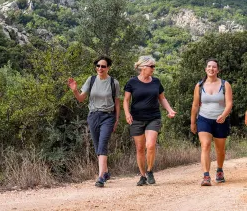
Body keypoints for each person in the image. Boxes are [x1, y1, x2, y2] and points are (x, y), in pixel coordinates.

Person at [123, 55, 176, 186]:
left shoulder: (156, 82)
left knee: (150, 145)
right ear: (143, 67)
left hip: (153, 117)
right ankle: (142, 176)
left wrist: (169, 110)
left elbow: (162, 98)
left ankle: (150, 170)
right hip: (136, 119)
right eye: (151, 66)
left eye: (154, 66)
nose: (153, 68)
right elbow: (126, 100)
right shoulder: (132, 82)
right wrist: (127, 113)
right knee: (140, 148)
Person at [68, 56, 120, 188]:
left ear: (108, 68)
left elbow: (117, 103)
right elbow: (80, 98)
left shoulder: (114, 83)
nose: (100, 68)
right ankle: (106, 172)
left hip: (108, 116)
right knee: (98, 146)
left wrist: (117, 119)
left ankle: (101, 176)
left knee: (102, 144)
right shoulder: (91, 80)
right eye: (98, 66)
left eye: (103, 66)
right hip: (93, 116)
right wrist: (75, 90)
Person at [190, 58, 233, 186]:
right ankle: (206, 176)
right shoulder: (199, 85)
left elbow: (229, 103)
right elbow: (195, 105)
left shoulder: (225, 84)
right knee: (205, 145)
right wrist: (193, 122)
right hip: (204, 119)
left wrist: (224, 115)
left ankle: (219, 170)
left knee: (220, 150)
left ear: (218, 70)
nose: (211, 69)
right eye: (209, 66)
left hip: (220, 120)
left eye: (214, 67)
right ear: (205, 69)